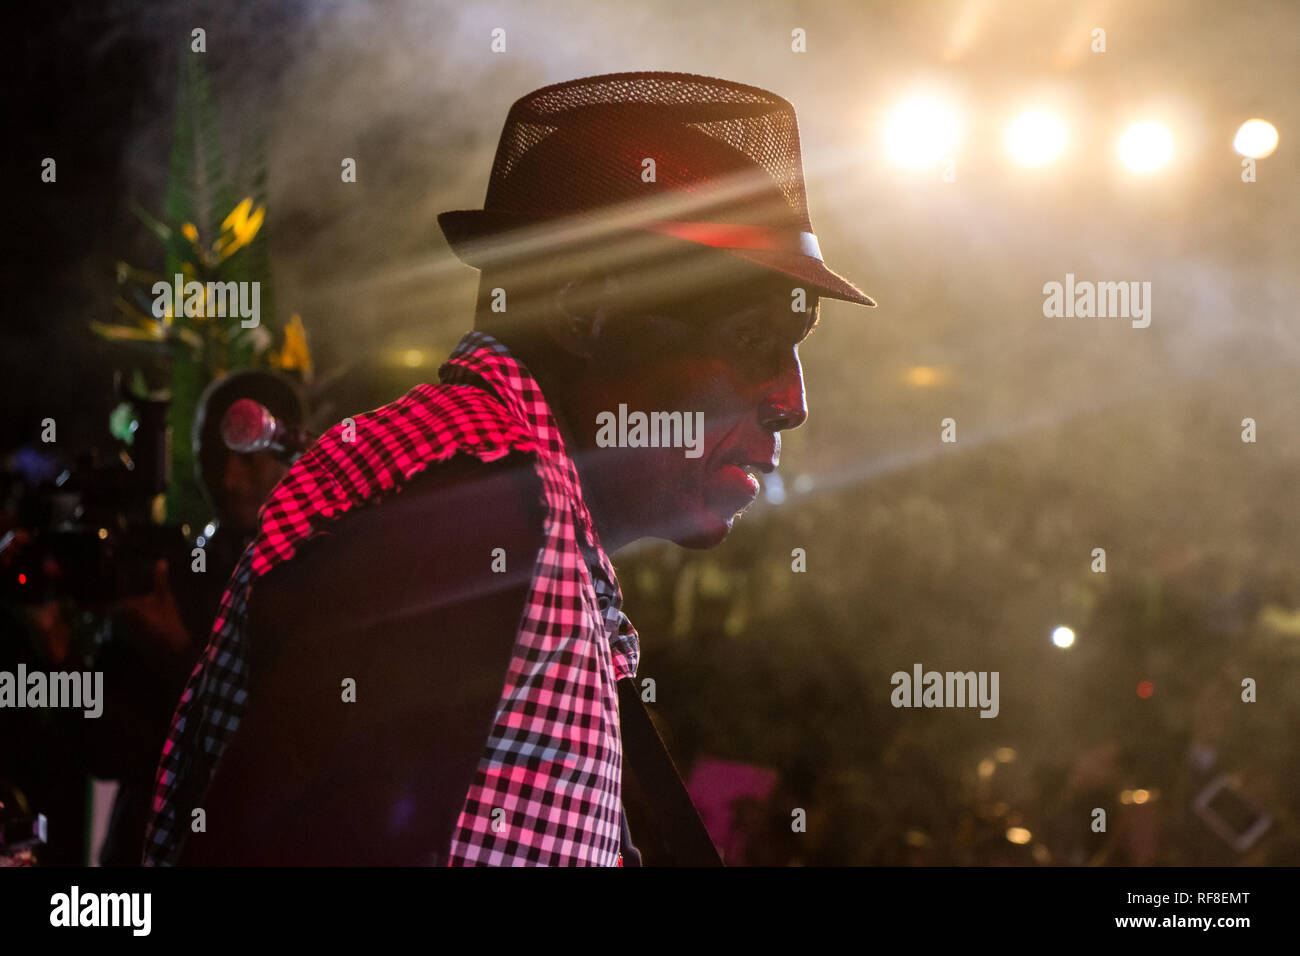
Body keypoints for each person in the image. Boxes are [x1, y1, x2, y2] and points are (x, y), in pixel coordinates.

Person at [143, 71, 876, 866]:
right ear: (582, 312)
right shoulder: (466, 506)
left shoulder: (511, 513)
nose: (791, 399)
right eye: (749, 339)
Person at [92, 370, 305, 865]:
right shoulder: (169, 574)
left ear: (293, 449)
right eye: (213, 455)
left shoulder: (318, 580)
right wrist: (56, 654)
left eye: (248, 456)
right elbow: (104, 754)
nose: (229, 479)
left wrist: (178, 651)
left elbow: (276, 744)